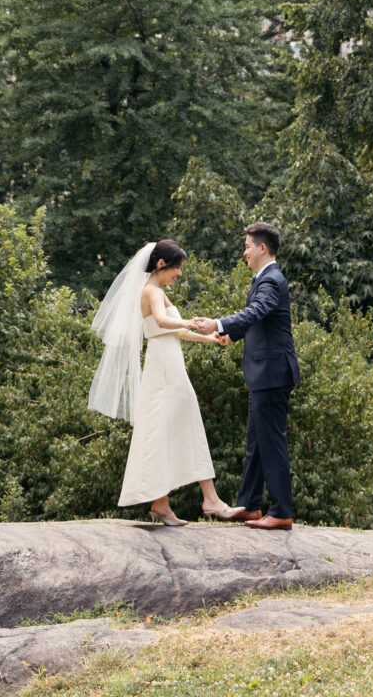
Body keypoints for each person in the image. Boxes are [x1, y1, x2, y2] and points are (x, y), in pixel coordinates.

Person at [88, 239, 244, 526]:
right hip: (163, 370)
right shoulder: (151, 291)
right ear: (161, 265)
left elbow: (176, 332)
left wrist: (208, 338)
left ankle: (163, 503)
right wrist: (189, 323)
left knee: (168, 428)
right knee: (180, 423)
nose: (180, 274)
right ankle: (209, 499)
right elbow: (161, 322)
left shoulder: (158, 291)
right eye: (178, 268)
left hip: (169, 365)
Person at [194, 222, 300, 531]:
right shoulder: (264, 279)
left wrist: (218, 323)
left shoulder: (272, 280)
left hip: (272, 372)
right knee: (256, 441)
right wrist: (231, 334)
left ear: (262, 248)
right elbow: (255, 319)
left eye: (247, 246)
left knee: (272, 442)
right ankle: (250, 506)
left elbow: (256, 311)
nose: (245, 251)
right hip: (264, 372)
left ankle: (281, 512)